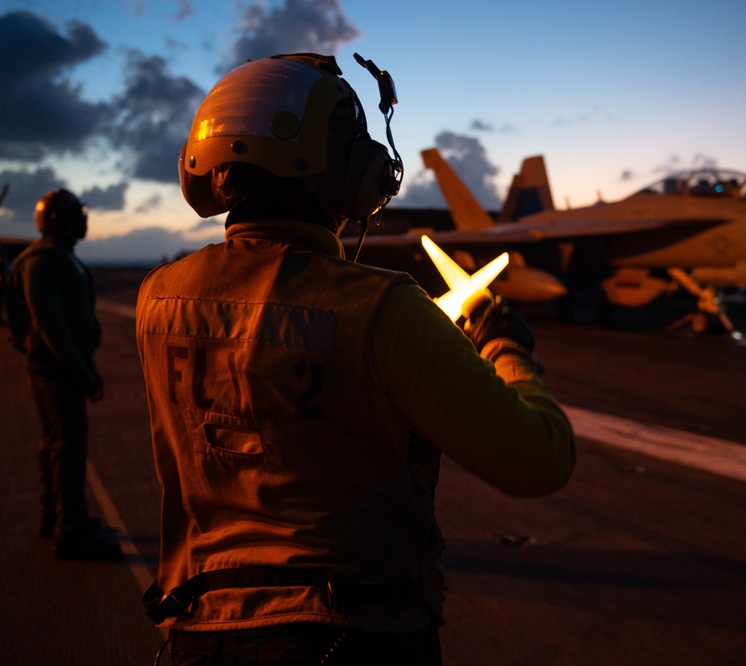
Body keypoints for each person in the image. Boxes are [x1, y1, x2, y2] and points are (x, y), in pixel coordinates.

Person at [136, 53, 576, 665]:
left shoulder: (158, 298)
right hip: (349, 637)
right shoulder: (382, 308)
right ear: (351, 174)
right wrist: (505, 346)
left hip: (197, 634)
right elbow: (539, 460)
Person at [4, 189, 122, 561]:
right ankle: (69, 533)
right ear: (59, 220)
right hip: (56, 368)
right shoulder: (42, 261)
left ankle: (56, 517)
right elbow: (49, 324)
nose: (82, 221)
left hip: (58, 364)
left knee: (56, 443)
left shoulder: (59, 257)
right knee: (67, 447)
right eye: (75, 214)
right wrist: (81, 371)